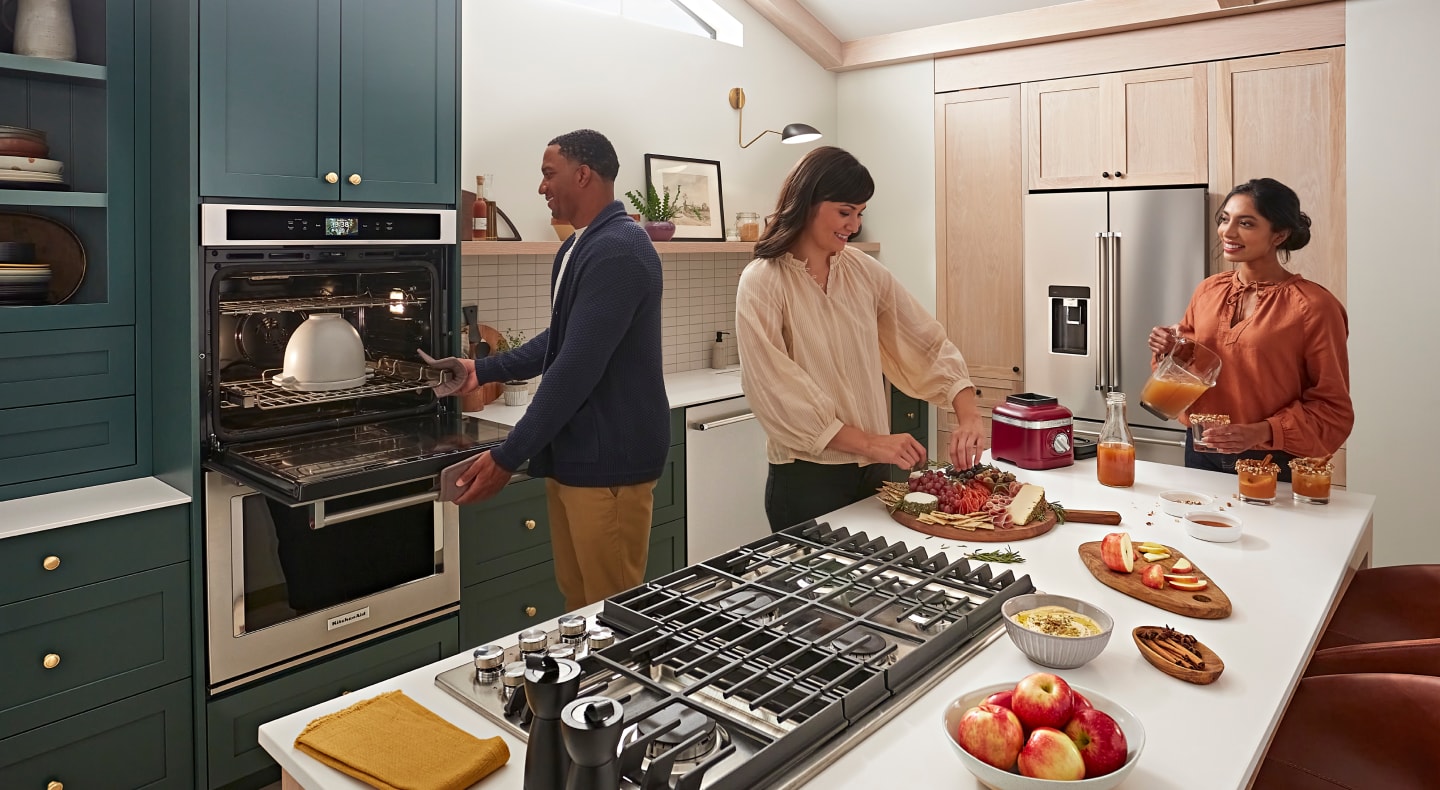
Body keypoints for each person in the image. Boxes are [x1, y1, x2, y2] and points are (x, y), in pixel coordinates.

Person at [419, 129, 668, 609]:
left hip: (609, 462)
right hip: (580, 456)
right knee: (580, 606)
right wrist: (482, 369)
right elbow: (563, 340)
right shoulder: (581, 246)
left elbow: (575, 368)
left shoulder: (619, 249)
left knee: (610, 612)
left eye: (548, 175)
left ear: (583, 175)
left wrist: (509, 456)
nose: (541, 187)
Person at [735, 146, 987, 533]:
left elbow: (924, 340)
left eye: (859, 214)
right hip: (806, 480)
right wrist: (871, 442)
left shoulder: (863, 271)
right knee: (816, 592)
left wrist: (968, 415)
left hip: (875, 471)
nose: (853, 225)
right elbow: (777, 392)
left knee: (877, 587)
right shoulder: (762, 281)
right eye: (844, 212)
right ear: (807, 201)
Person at [1148, 177, 1353, 479]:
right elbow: (1189, 373)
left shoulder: (1315, 307)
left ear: (1279, 234)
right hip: (1201, 451)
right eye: (1225, 219)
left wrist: (1258, 432)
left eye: (1246, 223)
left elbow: (1333, 409)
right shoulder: (1208, 290)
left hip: (1274, 460)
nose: (1227, 232)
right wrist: (1169, 351)